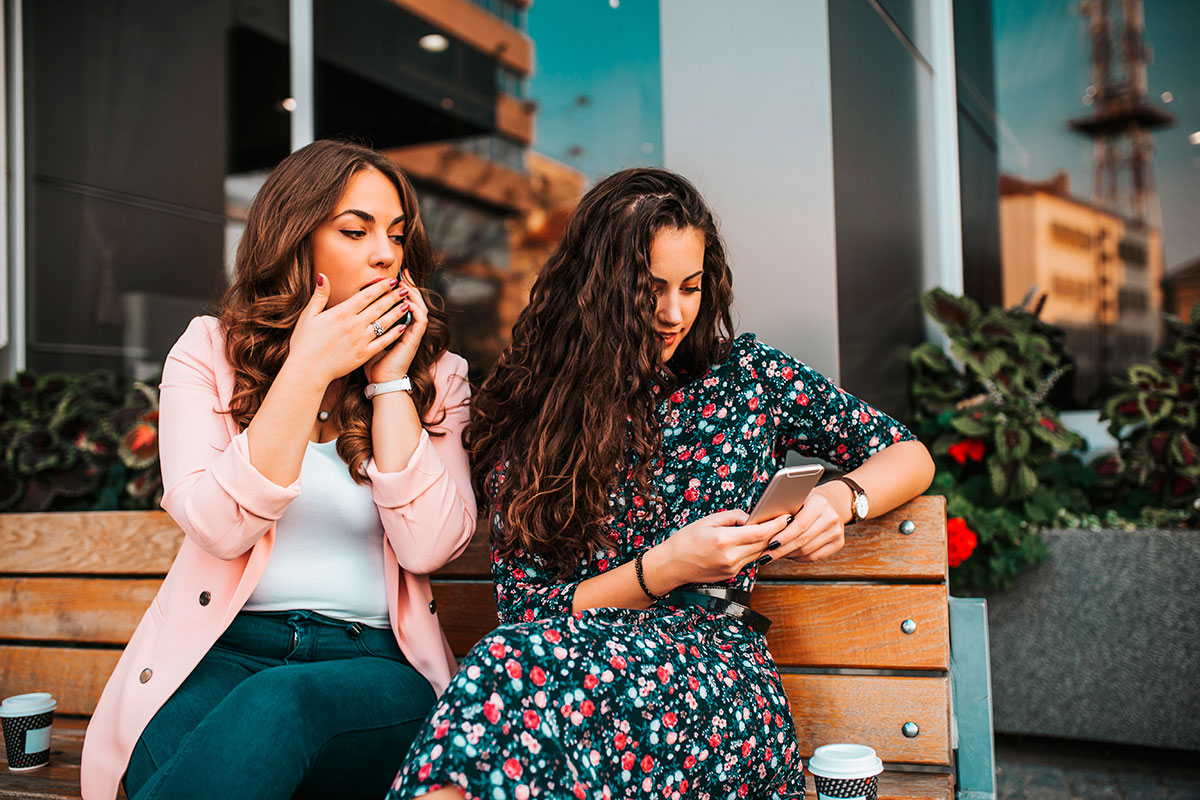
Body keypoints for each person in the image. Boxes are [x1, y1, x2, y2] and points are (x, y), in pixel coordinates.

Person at [386, 168, 935, 799]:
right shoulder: (538, 408)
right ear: (597, 288)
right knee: (510, 678)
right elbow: (529, 617)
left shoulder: (748, 378)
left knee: (509, 683)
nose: (673, 314)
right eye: (649, 290)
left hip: (718, 688)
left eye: (691, 288)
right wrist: (667, 566)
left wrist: (841, 497)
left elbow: (907, 452)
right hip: (569, 674)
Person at [79, 140, 477, 800]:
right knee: (188, 749)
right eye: (356, 230)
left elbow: (428, 544)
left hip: (372, 666)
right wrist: (307, 368)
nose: (385, 252)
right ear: (297, 241)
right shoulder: (207, 353)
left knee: (275, 707)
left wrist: (390, 383)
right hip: (222, 652)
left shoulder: (439, 377)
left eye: (397, 234)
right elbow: (217, 526)